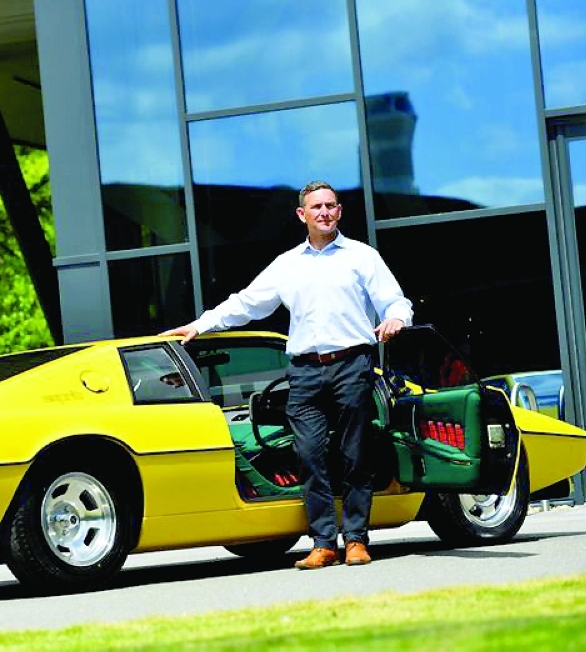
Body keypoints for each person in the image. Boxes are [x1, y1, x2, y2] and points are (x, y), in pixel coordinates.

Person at [160, 180, 413, 569]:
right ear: (302, 215)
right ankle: (324, 543)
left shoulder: (362, 257)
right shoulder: (287, 265)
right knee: (308, 455)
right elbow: (247, 303)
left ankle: (357, 540)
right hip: (305, 372)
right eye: (317, 207)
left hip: (351, 365)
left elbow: (394, 300)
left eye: (331, 206)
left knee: (354, 455)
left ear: (339, 211)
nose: (325, 212)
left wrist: (396, 317)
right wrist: (200, 326)